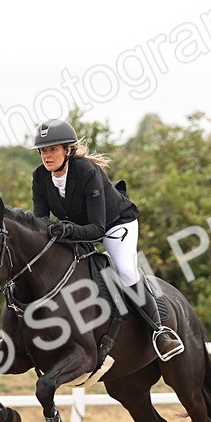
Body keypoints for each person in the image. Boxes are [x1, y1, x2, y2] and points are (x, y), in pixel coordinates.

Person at [30, 118, 184, 361]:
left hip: (115, 224)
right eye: (43, 151)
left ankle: (159, 331)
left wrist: (67, 230)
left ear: (67, 150)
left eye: (53, 149)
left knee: (125, 271)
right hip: (78, 228)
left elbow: (97, 228)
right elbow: (40, 222)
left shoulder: (86, 171)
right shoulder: (40, 177)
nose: (47, 156)